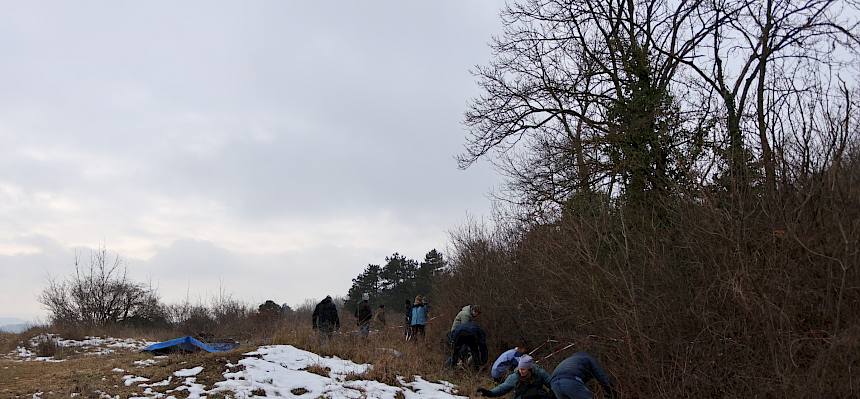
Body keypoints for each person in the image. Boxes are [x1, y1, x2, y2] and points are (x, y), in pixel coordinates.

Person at [477, 355, 553, 399]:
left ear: (529, 368)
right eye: (519, 368)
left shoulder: (539, 373)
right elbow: (502, 388)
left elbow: (551, 383)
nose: (520, 371)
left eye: (523, 369)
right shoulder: (515, 377)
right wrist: (489, 393)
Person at [550, 352, 615, 399]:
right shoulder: (588, 359)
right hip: (570, 381)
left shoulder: (570, 361)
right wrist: (612, 392)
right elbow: (602, 377)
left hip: (554, 385)